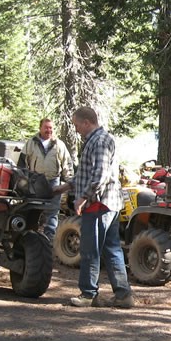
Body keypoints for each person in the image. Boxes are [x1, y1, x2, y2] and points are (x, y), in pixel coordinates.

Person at [55, 106, 134, 309]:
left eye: (77, 125)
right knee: (112, 249)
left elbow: (100, 175)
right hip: (108, 204)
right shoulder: (96, 141)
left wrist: (82, 197)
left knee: (90, 250)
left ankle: (88, 294)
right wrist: (67, 186)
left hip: (98, 204)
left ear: (86, 122)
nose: (76, 129)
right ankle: (123, 295)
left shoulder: (99, 142)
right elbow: (86, 173)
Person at [18, 118, 74, 241]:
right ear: (40, 128)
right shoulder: (31, 143)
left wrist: (70, 183)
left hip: (53, 181)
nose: (49, 130)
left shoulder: (59, 144)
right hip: (35, 181)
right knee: (32, 208)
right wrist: (23, 180)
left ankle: (49, 238)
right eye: (46, 127)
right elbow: (22, 163)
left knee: (52, 210)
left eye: (51, 128)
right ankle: (29, 236)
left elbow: (67, 164)